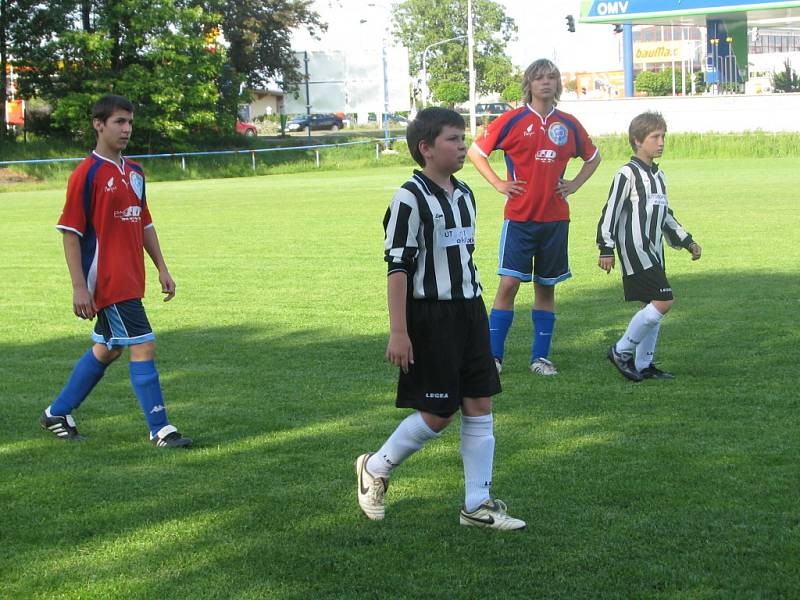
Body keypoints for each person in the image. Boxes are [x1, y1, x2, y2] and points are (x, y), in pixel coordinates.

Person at [355, 107, 525, 530]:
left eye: (462, 138)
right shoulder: (408, 199)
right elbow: (398, 268)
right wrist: (399, 330)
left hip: (470, 310)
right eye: (452, 139)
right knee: (438, 414)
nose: (462, 145)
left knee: (480, 403)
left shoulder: (465, 194)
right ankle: (376, 466)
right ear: (426, 148)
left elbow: (461, 256)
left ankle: (477, 506)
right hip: (429, 316)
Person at [40, 94, 192, 447]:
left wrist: (162, 268)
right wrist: (80, 287)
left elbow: (144, 224)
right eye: (119, 122)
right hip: (107, 281)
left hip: (131, 278)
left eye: (130, 122)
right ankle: (161, 429)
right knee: (144, 344)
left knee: (109, 349)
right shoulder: (86, 174)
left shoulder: (135, 172)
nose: (126, 129)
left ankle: (57, 413)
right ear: (98, 124)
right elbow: (70, 233)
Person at [467, 58, 601, 376]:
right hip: (520, 218)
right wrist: (499, 183)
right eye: (539, 77)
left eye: (552, 77)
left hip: (555, 220)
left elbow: (593, 157)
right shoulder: (512, 120)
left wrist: (574, 185)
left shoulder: (568, 124)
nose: (546, 82)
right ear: (529, 83)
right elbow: (476, 152)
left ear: (558, 84)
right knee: (509, 284)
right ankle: (493, 357)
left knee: (546, 286)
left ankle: (540, 359)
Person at [597, 111, 702, 382]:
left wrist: (686, 240)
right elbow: (610, 211)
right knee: (663, 301)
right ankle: (621, 351)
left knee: (652, 306)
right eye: (655, 137)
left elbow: (665, 215)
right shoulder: (626, 174)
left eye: (663, 136)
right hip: (635, 250)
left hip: (655, 250)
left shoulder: (659, 176)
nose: (661, 142)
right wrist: (606, 248)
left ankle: (644, 365)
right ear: (637, 140)